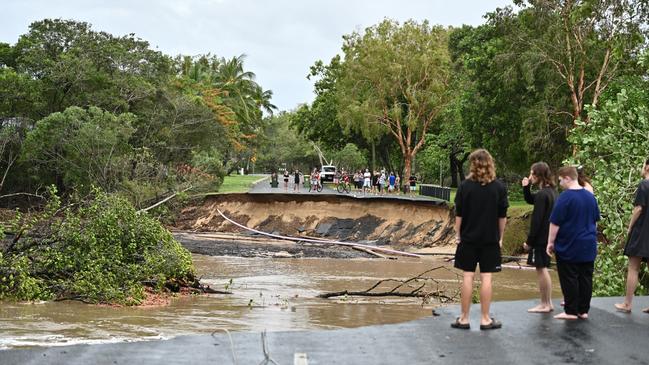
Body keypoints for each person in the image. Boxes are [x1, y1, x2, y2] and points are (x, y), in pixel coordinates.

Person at [451, 149, 508, 330]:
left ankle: (464, 318)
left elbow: (458, 215)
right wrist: (500, 237)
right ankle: (485, 319)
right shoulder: (498, 187)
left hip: (468, 239)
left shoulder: (464, 187)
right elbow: (502, 216)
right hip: (490, 239)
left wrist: (457, 235)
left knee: (467, 276)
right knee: (486, 278)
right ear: (490, 163)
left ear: (472, 164)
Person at [547, 166, 600, 320]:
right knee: (585, 277)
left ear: (567, 178)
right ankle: (583, 310)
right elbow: (595, 221)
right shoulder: (590, 196)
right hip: (588, 243)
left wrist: (550, 242)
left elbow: (555, 222)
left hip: (569, 244)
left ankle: (570, 310)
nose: (560, 183)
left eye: (561, 180)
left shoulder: (565, 197)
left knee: (569, 277)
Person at [522, 162, 558, 313]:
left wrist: (529, 241)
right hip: (548, 237)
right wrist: (526, 187)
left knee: (541, 270)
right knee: (543, 269)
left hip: (541, 239)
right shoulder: (552, 192)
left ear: (538, 175)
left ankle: (545, 303)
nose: (530, 177)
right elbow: (531, 199)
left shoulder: (543, 195)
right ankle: (547, 302)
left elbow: (537, 221)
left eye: (532, 174)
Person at [615, 158, 649, 314]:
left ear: (647, 167)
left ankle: (627, 304)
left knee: (633, 267)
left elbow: (638, 209)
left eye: (643, 165)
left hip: (642, 231)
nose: (641, 168)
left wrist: (629, 227)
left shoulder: (644, 184)